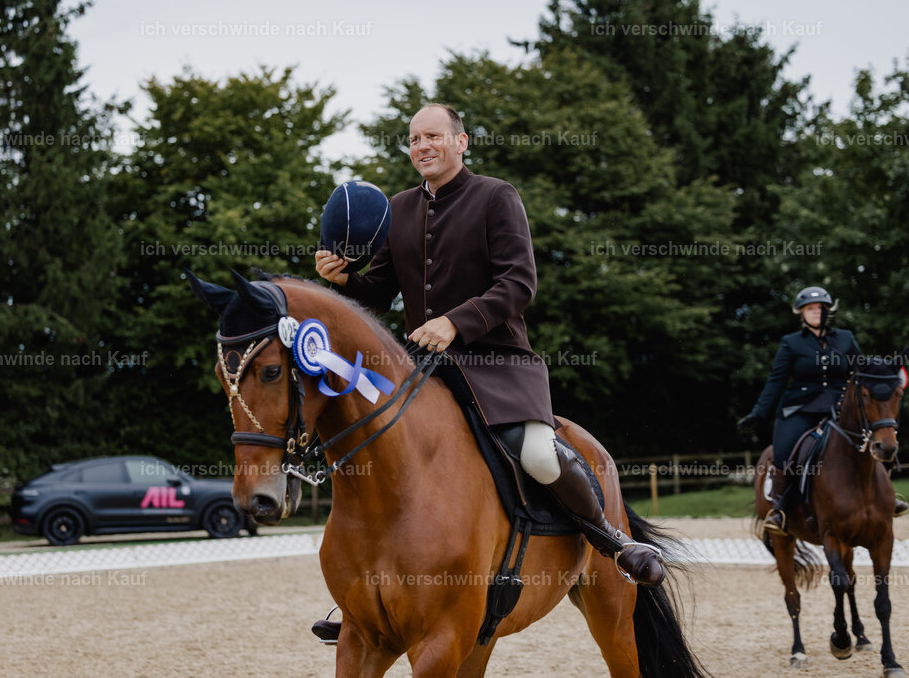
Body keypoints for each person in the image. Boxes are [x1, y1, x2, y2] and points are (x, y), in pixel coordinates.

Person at [314, 103, 665, 597]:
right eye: (414, 140)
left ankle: (610, 539)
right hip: (424, 369)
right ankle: (368, 585)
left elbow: (519, 283)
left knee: (540, 455)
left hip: (496, 363)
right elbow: (377, 293)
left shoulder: (496, 196)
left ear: (461, 141)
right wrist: (343, 280)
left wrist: (455, 322)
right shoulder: (398, 210)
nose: (422, 147)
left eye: (433, 136)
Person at [738, 286, 909, 535]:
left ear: (829, 312)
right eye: (811, 309)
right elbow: (777, 380)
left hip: (840, 408)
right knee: (785, 452)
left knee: (877, 438)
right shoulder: (791, 343)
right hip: (801, 408)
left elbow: (862, 371)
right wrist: (758, 412)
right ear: (801, 313)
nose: (817, 313)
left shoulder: (846, 338)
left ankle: (887, 497)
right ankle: (782, 509)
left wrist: (890, 368)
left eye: (821, 309)